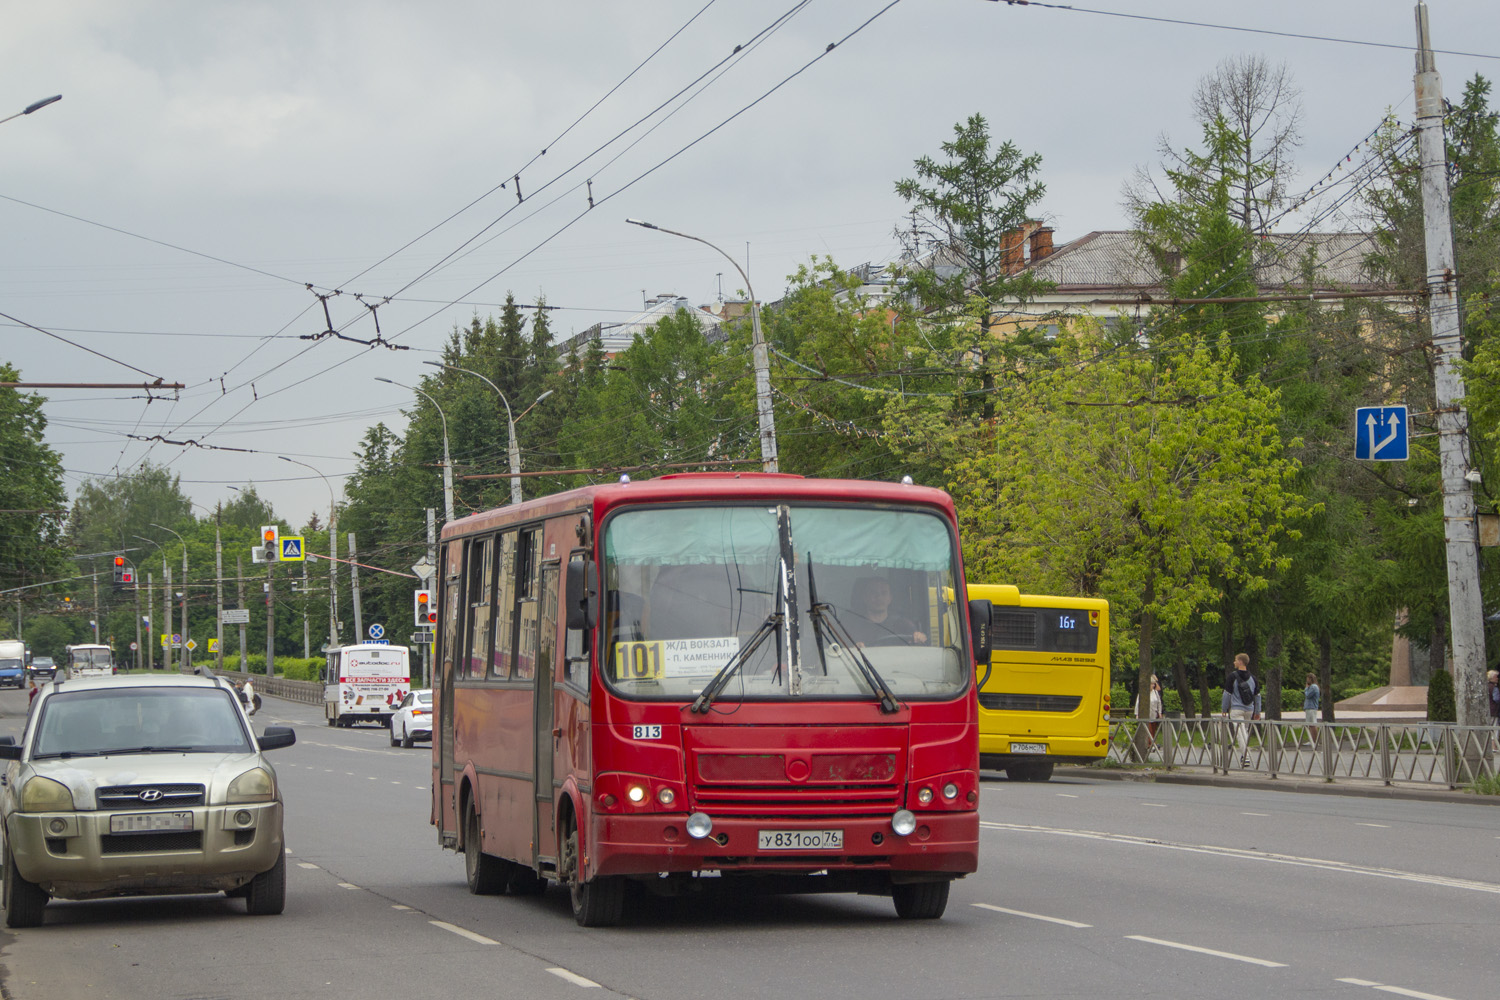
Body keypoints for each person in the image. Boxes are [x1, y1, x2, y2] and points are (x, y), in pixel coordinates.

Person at [845, 577, 927, 647]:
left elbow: (918, 651)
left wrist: (920, 638)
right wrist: (854, 649)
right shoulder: (852, 627)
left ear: (890, 598)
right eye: (873, 592)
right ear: (865, 597)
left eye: (884, 593)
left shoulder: (904, 625)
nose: (879, 597)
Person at [1220, 652, 1261, 769]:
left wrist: (1224, 709)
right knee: (1245, 732)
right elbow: (1257, 696)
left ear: (1241, 662)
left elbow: (1227, 694)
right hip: (1249, 709)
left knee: (1240, 733)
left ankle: (1246, 756)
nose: (1234, 662)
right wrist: (1257, 711)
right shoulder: (1253, 678)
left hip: (1236, 709)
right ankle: (1245, 755)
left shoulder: (1232, 677)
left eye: (1235, 660)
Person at [1302, 672, 1321, 747]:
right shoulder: (1313, 687)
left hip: (1311, 708)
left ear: (1310, 679)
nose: (1307, 680)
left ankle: (1314, 741)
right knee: (1310, 724)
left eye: (1307, 678)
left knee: (1312, 724)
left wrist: (1306, 688)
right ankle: (1311, 740)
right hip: (1309, 707)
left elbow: (1307, 695)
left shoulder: (1313, 687)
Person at [1146, 675, 1163, 753]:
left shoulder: (1155, 692)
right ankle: (1151, 744)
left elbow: (1159, 703)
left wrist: (1160, 712)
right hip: (1147, 714)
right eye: (1152, 684)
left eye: (1154, 684)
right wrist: (1137, 714)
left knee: (1153, 730)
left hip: (1154, 714)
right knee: (1149, 730)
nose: (1153, 685)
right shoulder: (1144, 693)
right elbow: (1138, 703)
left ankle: (1152, 743)